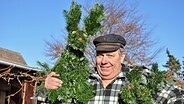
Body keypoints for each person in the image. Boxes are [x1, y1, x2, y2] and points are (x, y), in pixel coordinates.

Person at [44, 34, 184, 104]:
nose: (104, 61)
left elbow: (177, 96)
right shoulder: (79, 79)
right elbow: (46, 100)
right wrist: (47, 89)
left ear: (122, 57)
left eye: (110, 55)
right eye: (100, 55)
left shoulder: (141, 78)